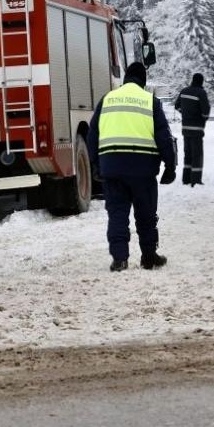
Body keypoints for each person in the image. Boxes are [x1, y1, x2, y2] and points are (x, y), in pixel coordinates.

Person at [88, 61, 176, 272]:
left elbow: (93, 135)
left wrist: (95, 164)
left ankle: (119, 259)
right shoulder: (149, 101)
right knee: (146, 215)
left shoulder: (107, 100)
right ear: (143, 81)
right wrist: (170, 166)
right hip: (142, 170)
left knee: (117, 214)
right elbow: (163, 137)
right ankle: (148, 257)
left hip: (112, 168)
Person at [174, 72, 210, 187]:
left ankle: (186, 178)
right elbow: (206, 111)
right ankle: (195, 179)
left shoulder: (184, 91)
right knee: (197, 154)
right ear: (201, 81)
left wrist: (184, 113)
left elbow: (177, 106)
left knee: (187, 153)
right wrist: (202, 119)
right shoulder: (201, 93)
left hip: (185, 128)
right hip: (197, 129)